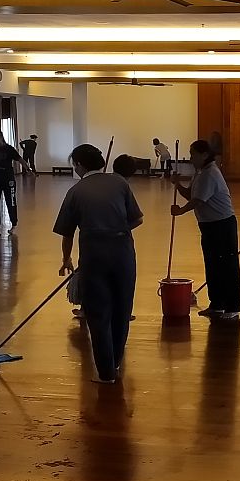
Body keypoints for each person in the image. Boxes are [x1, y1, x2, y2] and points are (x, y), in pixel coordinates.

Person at [54, 144, 144, 384]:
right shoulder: (120, 183)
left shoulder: (76, 191)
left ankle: (106, 373)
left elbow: (67, 232)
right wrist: (116, 229)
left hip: (93, 253)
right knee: (122, 307)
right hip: (123, 251)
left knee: (98, 311)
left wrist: (66, 259)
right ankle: (115, 362)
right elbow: (137, 219)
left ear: (79, 165)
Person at [171, 139, 240, 319]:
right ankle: (216, 304)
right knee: (212, 265)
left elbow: (197, 201)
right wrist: (177, 185)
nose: (191, 158)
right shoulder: (200, 173)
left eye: (193, 154)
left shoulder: (210, 173)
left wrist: (180, 211)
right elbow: (191, 194)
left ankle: (232, 307)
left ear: (204, 155)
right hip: (209, 225)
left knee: (227, 266)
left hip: (222, 225)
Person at [0, 128, 31, 235]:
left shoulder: (9, 149)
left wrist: (28, 169)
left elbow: (20, 160)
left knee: (10, 201)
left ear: (1, 138)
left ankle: (14, 224)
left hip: (8, 179)